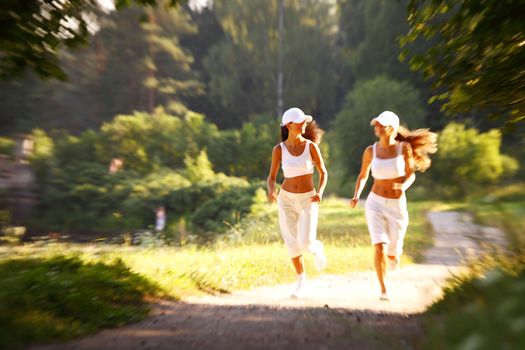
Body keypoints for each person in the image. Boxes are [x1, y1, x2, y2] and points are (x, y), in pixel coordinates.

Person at [350, 111, 437, 300]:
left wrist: (403, 186)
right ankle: (383, 289)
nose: (377, 127)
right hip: (375, 203)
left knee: (393, 252)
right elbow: (363, 175)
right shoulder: (370, 151)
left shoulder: (403, 149)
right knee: (379, 246)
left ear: (391, 128)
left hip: (397, 205)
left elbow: (410, 174)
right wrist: (357, 195)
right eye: (376, 124)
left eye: (381, 124)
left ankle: (394, 255)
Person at [267, 107, 328, 299]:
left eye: (304, 122)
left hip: (308, 199)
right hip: (285, 199)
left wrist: (319, 192)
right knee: (292, 243)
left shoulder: (311, 147)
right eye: (300, 122)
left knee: (306, 242)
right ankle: (301, 281)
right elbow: (271, 177)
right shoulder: (279, 149)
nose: (304, 125)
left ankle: (316, 247)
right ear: (289, 125)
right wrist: (271, 190)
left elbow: (323, 172)